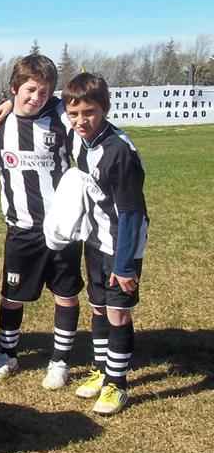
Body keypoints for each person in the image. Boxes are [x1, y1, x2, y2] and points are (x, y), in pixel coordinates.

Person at [0, 55, 83, 389]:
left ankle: (59, 361)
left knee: (66, 295)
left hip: (62, 229)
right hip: (22, 228)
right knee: (11, 295)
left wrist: (52, 100)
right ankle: (7, 354)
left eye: (43, 92)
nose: (36, 97)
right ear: (14, 89)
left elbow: (76, 107)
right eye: (29, 90)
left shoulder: (59, 117)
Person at [64, 73, 148, 415]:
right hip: (95, 237)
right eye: (75, 114)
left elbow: (131, 212)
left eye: (90, 113)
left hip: (122, 243)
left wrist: (126, 265)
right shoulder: (79, 139)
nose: (81, 121)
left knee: (117, 311)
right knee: (98, 305)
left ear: (105, 110)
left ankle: (118, 384)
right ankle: (102, 369)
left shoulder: (119, 153)